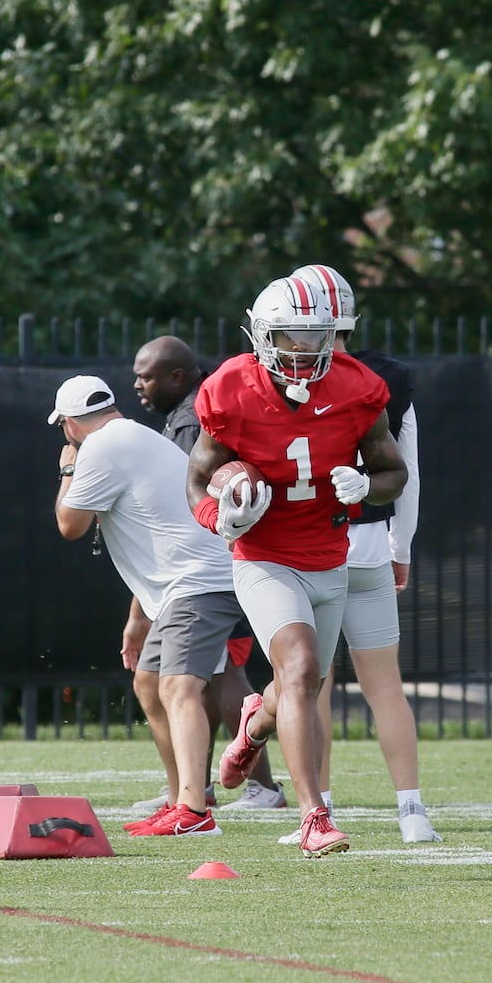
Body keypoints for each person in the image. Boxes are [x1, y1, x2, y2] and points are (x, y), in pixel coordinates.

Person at [188, 274, 406, 857]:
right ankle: (315, 816)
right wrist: (218, 518)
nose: (304, 347)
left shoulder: (360, 387)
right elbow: (196, 479)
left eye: (317, 334)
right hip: (263, 556)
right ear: (264, 334)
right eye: (292, 334)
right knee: (304, 667)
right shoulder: (230, 388)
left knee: (297, 688)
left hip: (328, 554)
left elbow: (395, 474)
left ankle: (254, 724)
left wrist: (367, 484)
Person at [289, 262, 439, 845]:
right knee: (384, 686)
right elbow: (410, 474)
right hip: (371, 541)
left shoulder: (280, 377)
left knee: (310, 685)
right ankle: (412, 810)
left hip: (306, 547)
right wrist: (402, 545)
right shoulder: (385, 380)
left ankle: (319, 808)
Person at [52, 375, 238, 836]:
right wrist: (137, 618)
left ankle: (195, 810)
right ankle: (179, 800)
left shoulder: (97, 448)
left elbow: (69, 525)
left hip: (199, 583)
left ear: (71, 425)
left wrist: (66, 469)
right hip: (186, 583)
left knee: (177, 688)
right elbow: (157, 533)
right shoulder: (133, 435)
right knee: (150, 684)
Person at [130, 335, 283, 811]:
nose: (138, 385)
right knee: (212, 673)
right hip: (216, 561)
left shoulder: (193, 419)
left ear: (177, 376)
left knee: (223, 673)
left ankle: (253, 786)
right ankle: (201, 784)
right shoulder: (188, 413)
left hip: (212, 564)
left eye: (147, 376)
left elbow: (184, 502)